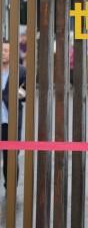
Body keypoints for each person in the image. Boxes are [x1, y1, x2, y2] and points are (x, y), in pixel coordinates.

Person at [1, 41, 25, 189]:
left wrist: (20, 94)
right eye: (1, 50)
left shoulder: (21, 71)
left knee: (10, 155)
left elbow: (27, 90)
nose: (3, 53)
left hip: (10, 121)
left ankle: (10, 186)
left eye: (6, 50)